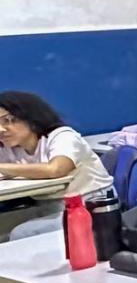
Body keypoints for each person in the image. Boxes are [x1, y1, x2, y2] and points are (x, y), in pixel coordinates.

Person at [0, 91, 114, 240]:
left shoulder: (62, 136)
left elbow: (56, 169)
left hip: (89, 207)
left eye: (9, 120)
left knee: (20, 233)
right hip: (47, 207)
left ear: (32, 118)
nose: (1, 129)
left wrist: (4, 168)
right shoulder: (9, 147)